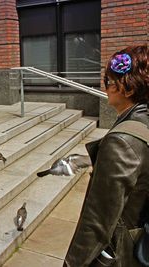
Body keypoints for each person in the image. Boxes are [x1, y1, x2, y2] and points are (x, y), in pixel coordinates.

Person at [64, 44, 149, 266]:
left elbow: (97, 222)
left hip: (123, 254)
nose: (106, 88)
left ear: (128, 89)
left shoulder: (122, 141)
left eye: (109, 82)